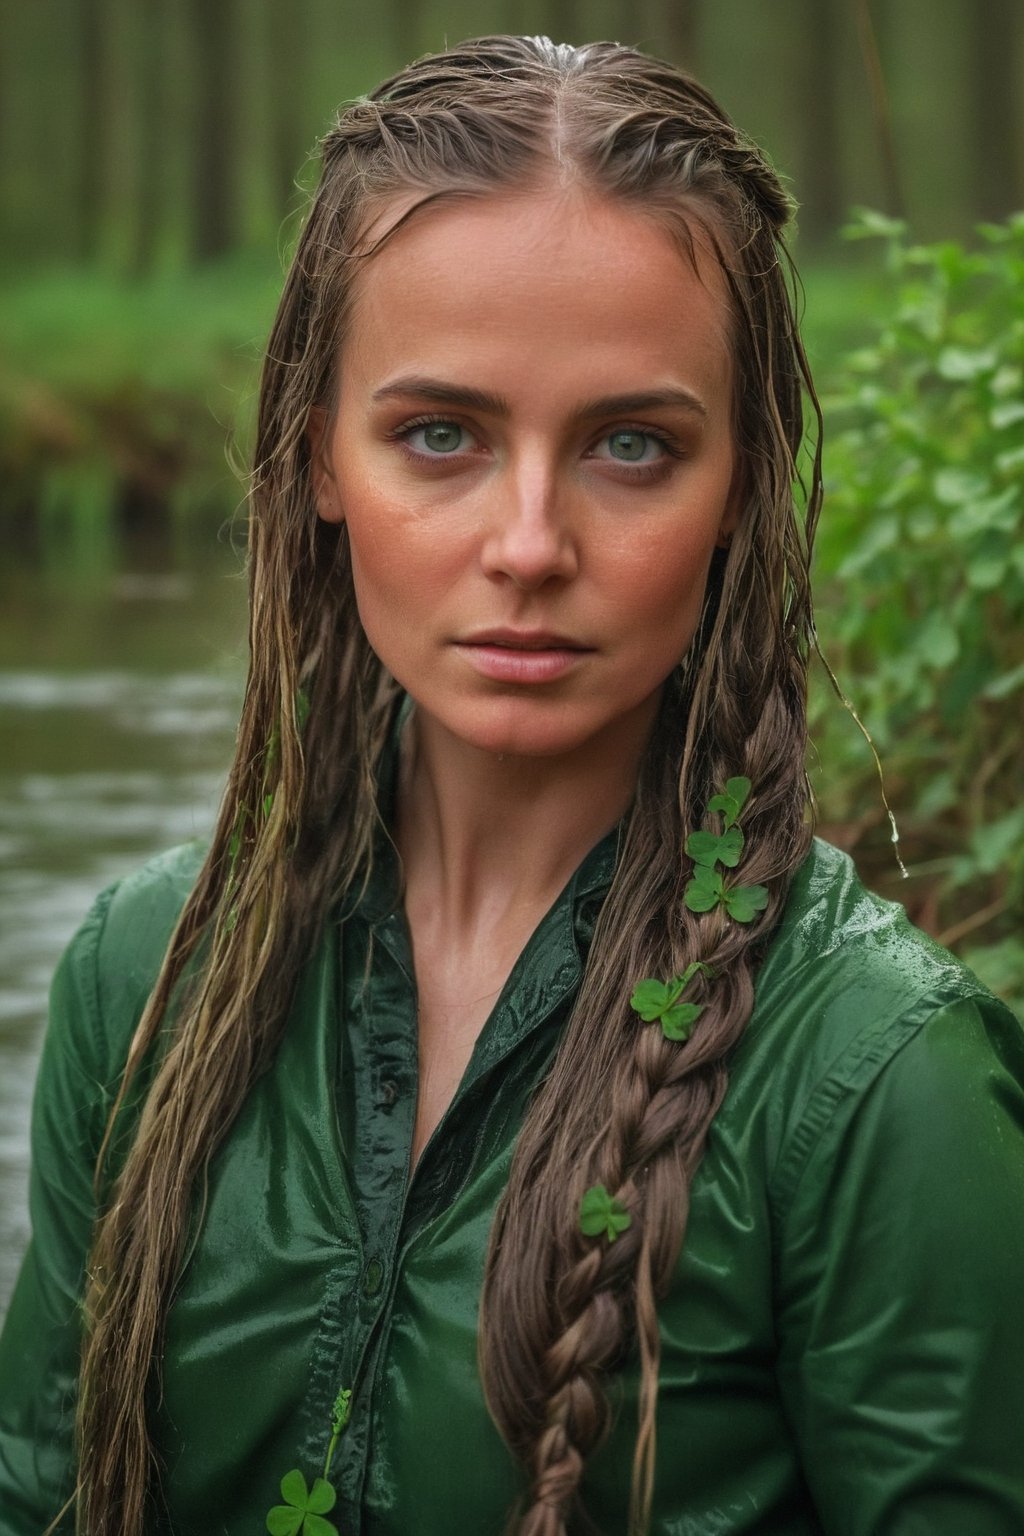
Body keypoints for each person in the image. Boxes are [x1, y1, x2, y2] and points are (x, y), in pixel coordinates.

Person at [1, 33, 1022, 1536]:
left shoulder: (882, 1086)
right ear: (315, 460)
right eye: (440, 435)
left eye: (629, 445)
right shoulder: (146, 986)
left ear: (739, 482)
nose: (530, 542)